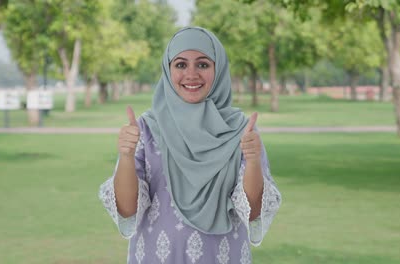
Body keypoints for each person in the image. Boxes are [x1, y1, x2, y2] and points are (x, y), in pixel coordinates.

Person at [99, 26, 281, 264]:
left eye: (203, 64)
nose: (191, 74)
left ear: (219, 69)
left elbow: (253, 211)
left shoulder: (241, 130)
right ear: (168, 69)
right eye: (181, 65)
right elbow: (127, 210)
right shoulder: (147, 128)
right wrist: (125, 156)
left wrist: (254, 160)